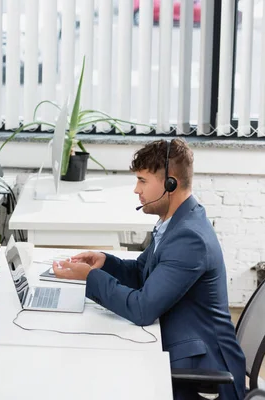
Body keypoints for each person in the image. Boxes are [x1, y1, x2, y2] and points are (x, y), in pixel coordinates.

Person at [52, 139, 245, 400]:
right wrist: (104, 262)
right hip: (182, 349)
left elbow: (142, 309)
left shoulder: (190, 238)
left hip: (203, 374)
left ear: (170, 184)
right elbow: (143, 272)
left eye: (142, 181)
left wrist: (91, 279)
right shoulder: (175, 222)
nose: (136, 190)